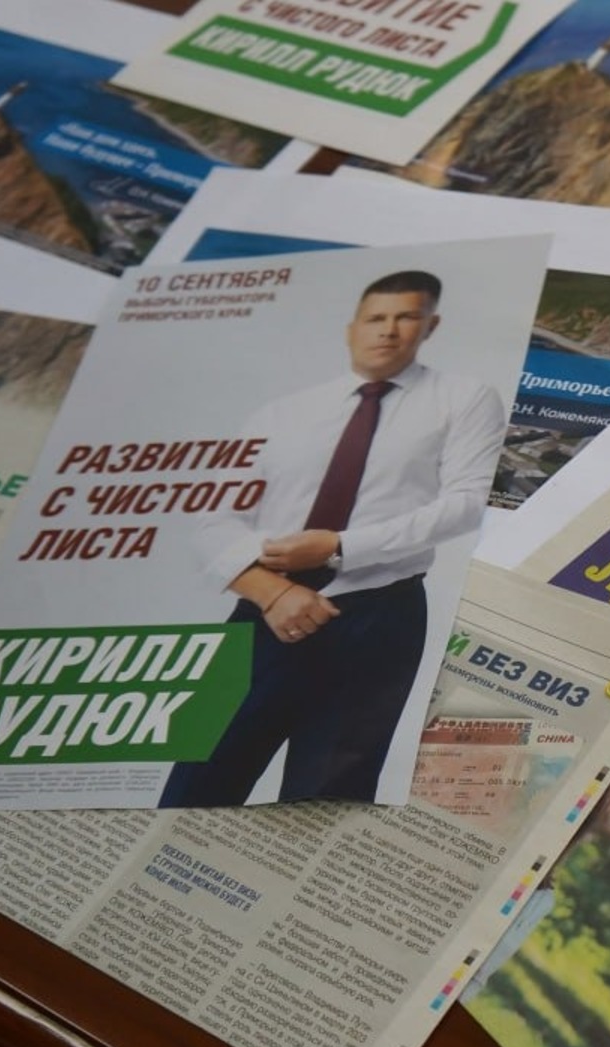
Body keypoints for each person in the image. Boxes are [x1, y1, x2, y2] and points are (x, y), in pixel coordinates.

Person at [160, 271, 506, 807]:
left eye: (405, 317)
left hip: (380, 619)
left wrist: (339, 546)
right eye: (376, 318)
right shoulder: (283, 413)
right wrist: (273, 592)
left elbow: (463, 504)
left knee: (326, 802)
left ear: (430, 326)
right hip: (261, 615)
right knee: (193, 786)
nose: (388, 330)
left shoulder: (464, 399)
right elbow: (211, 519)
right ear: (351, 329)